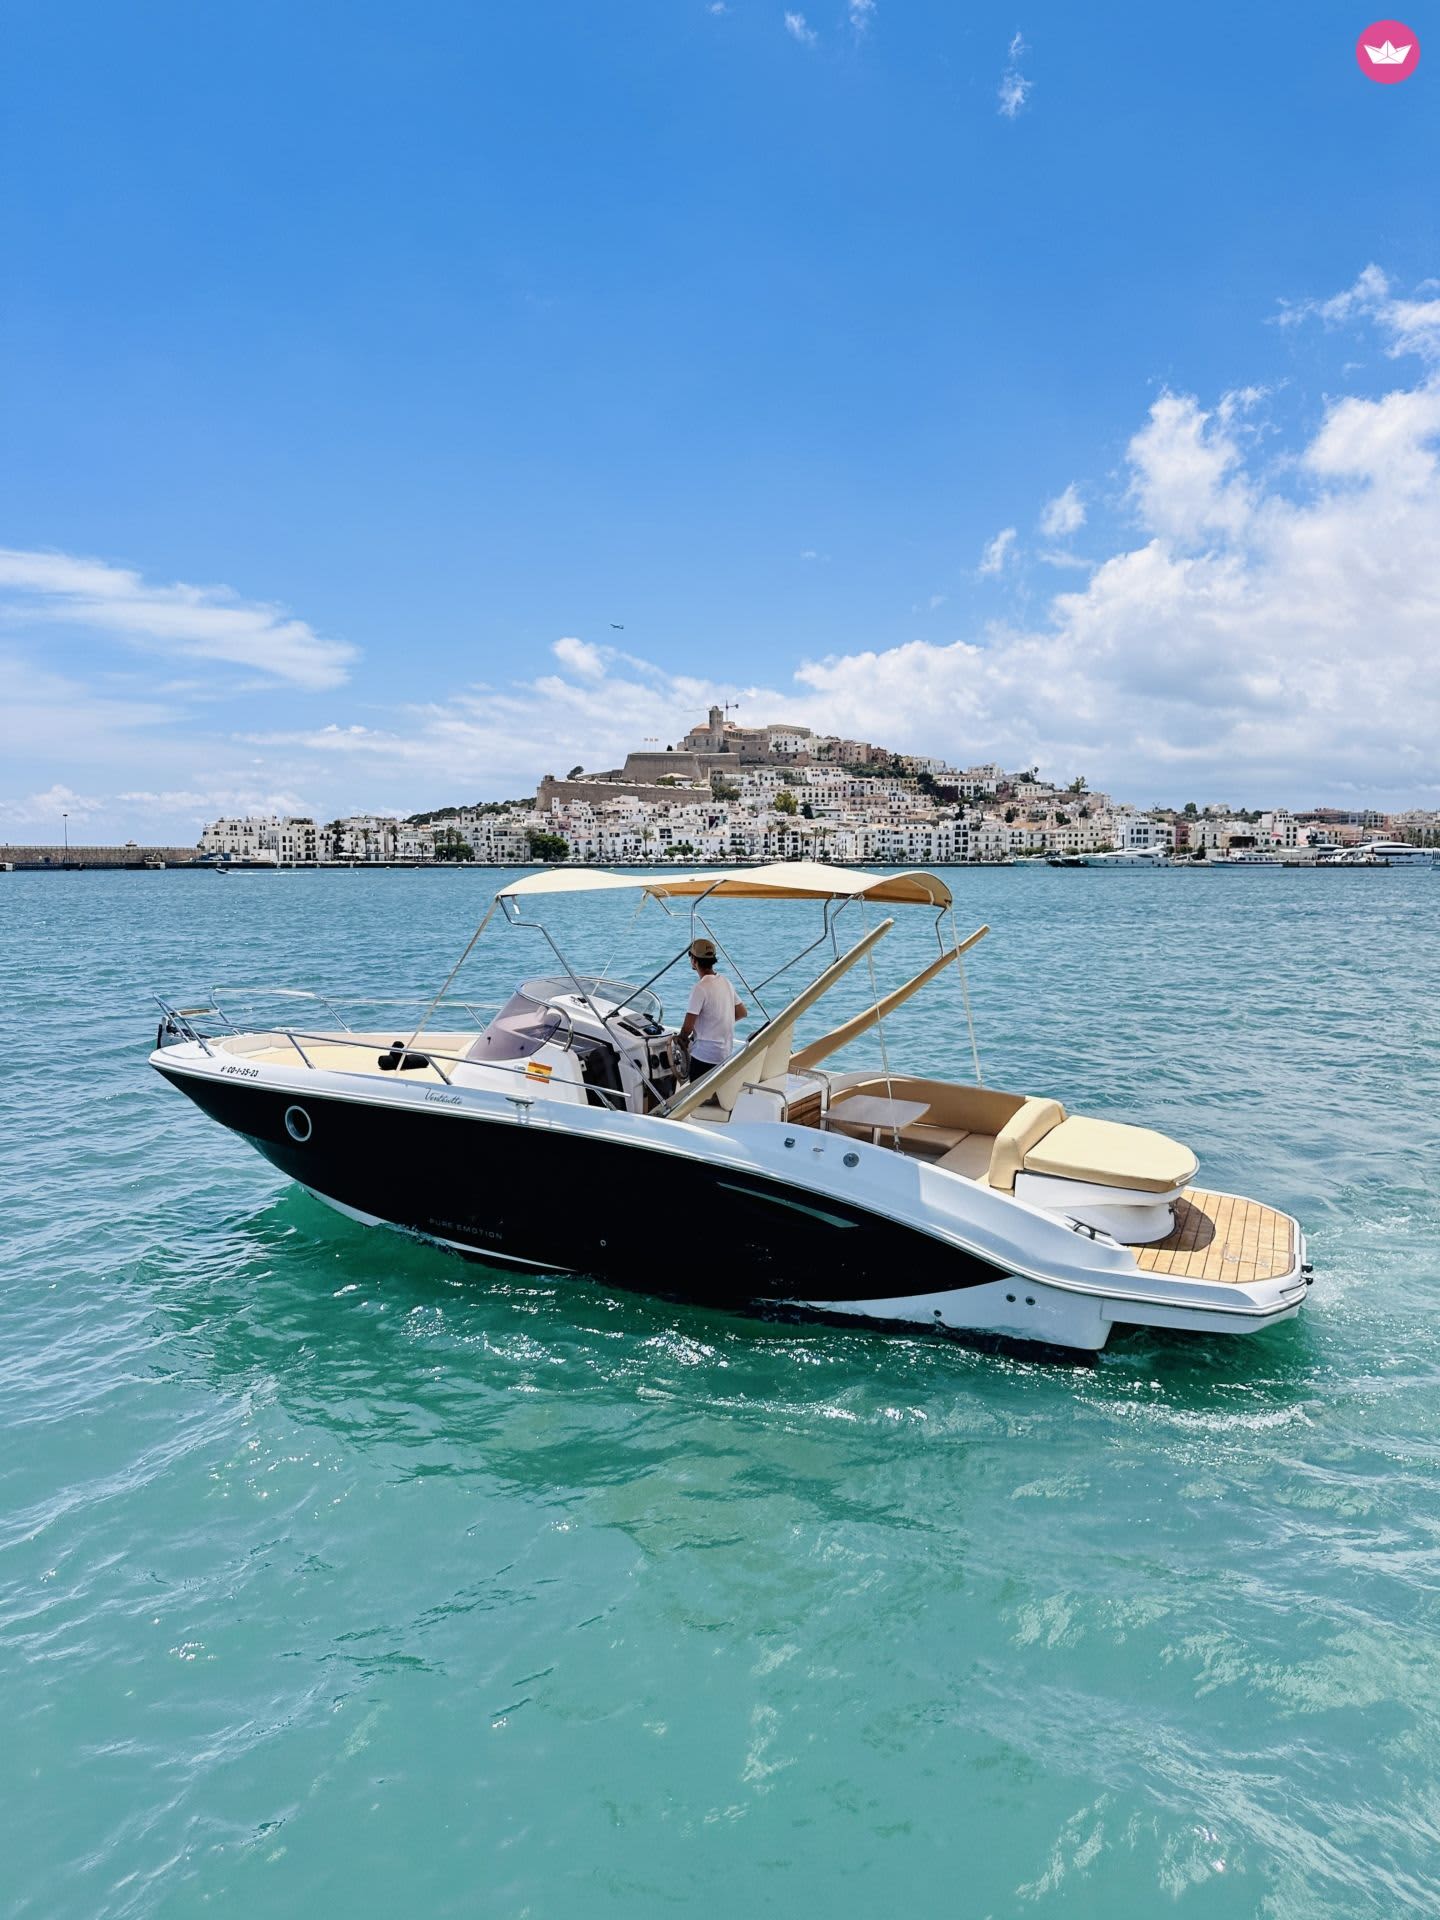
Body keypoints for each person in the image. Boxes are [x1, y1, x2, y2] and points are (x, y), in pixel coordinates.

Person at [678, 937, 747, 1081]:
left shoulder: (700, 988)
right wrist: (716, 1023)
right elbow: (742, 1013)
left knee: (698, 1100)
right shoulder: (725, 982)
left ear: (694, 961)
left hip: (704, 1058)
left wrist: (680, 1040)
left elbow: (687, 1028)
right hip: (724, 1056)